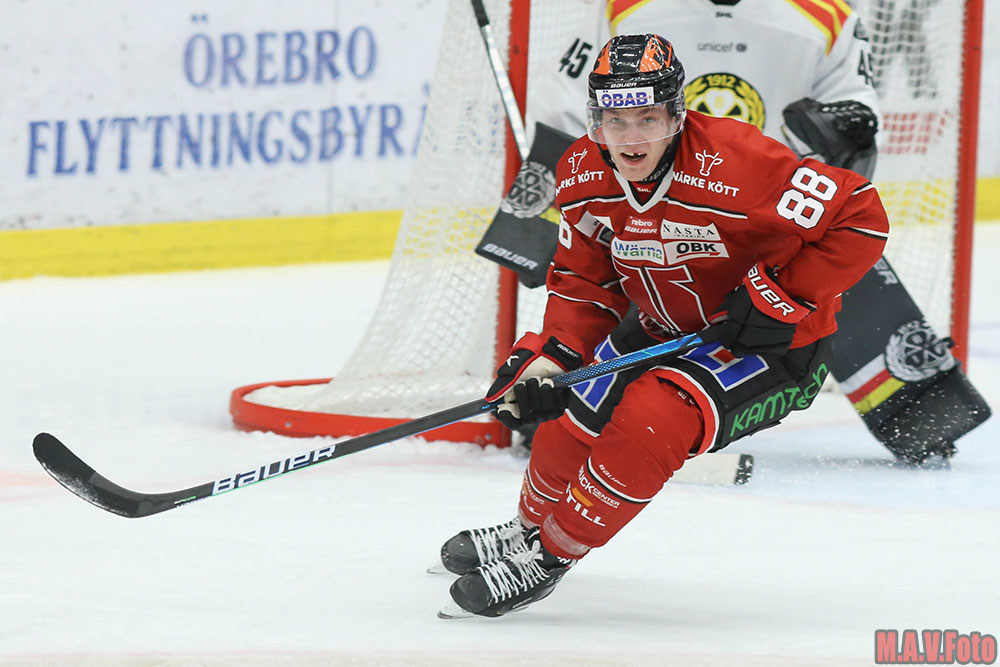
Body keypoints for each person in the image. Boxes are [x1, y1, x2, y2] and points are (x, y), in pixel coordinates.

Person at [436, 33, 889, 619]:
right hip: (657, 327)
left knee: (653, 415)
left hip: (768, 347)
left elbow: (861, 215)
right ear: (596, 118)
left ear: (676, 115)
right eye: (615, 121)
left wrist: (780, 296)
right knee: (575, 405)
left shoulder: (741, 163)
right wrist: (548, 357)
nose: (630, 139)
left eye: (647, 119)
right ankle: (527, 527)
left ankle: (548, 556)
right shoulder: (581, 170)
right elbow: (583, 281)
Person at [497, 0, 983, 465]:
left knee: (827, 272)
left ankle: (923, 416)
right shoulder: (622, 11)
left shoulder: (827, 17)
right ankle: (576, 429)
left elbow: (857, 113)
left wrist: (836, 132)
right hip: (648, 211)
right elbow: (569, 109)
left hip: (774, 219)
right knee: (614, 342)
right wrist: (532, 227)